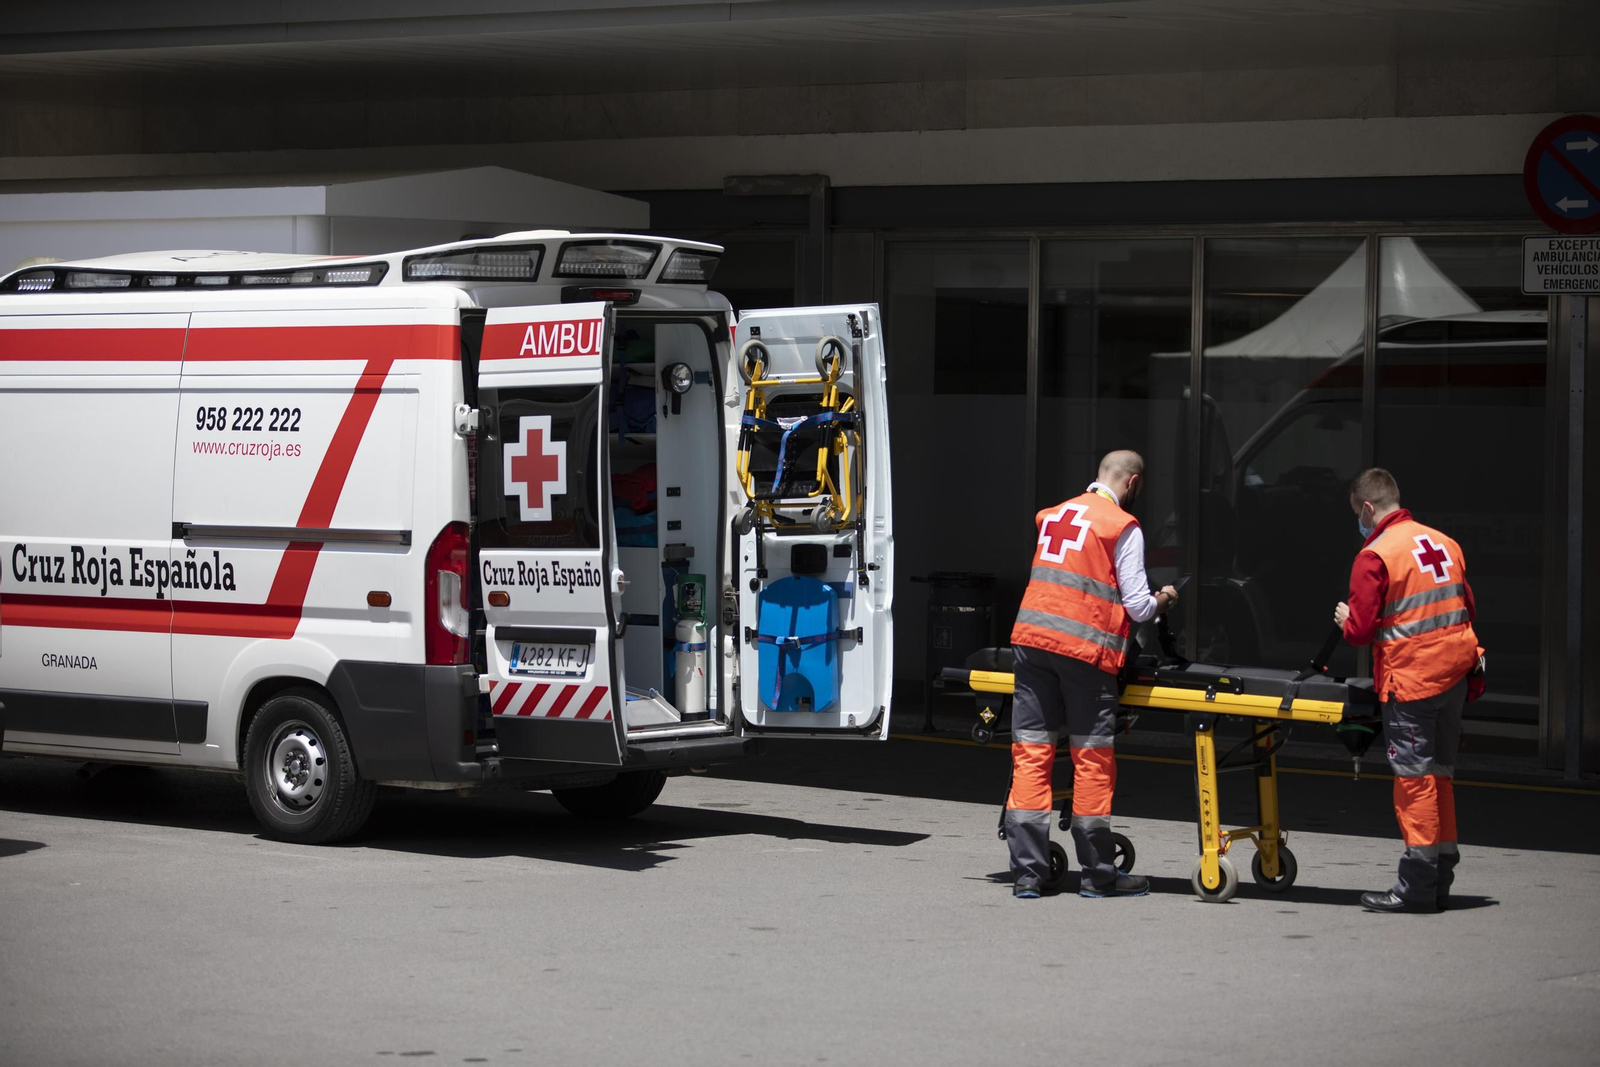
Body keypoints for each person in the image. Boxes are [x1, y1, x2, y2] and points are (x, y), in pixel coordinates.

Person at [1005, 450, 1178, 899]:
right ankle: (1099, 875)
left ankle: (1027, 875)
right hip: (1082, 652)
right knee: (1092, 758)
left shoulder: (1055, 514)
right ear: (1134, 483)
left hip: (1029, 642)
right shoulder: (1120, 525)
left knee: (1032, 754)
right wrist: (1165, 600)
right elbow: (1138, 607)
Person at [1334, 468, 1484, 914]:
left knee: (1414, 783)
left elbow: (1360, 632)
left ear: (1367, 507)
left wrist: (1346, 622)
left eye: (1356, 515)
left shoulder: (1375, 554)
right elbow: (1465, 607)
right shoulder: (1444, 543)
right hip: (1454, 676)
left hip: (1413, 681)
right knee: (1440, 778)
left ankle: (1416, 887)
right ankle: (1440, 878)